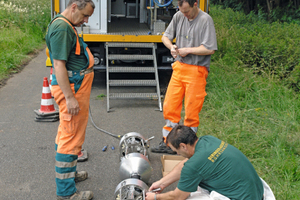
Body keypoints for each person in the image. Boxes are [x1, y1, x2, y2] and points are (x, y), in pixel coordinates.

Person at [151, 0, 218, 154]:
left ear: (196, 4)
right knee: (170, 106)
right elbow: (165, 38)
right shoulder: (179, 16)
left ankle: (188, 146)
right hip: (179, 68)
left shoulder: (205, 20)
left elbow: (209, 49)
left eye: (187, 11)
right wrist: (172, 47)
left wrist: (188, 50)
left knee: (192, 110)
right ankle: (168, 143)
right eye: (182, 11)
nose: (184, 14)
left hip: (197, 70)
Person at [45, 0, 95, 199]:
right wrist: (70, 98)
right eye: (84, 15)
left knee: (69, 132)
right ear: (74, 6)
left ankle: (70, 174)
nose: (85, 20)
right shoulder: (62, 28)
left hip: (75, 85)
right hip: (72, 88)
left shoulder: (66, 25)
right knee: (70, 137)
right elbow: (59, 65)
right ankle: (66, 193)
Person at [146, 125, 265, 200]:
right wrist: (162, 183)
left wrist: (156, 197)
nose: (177, 154)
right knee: (194, 183)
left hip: (243, 197)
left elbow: (178, 197)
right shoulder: (207, 140)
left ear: (183, 146)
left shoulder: (194, 166)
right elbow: (185, 164)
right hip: (256, 191)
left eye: (176, 151)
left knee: (189, 196)